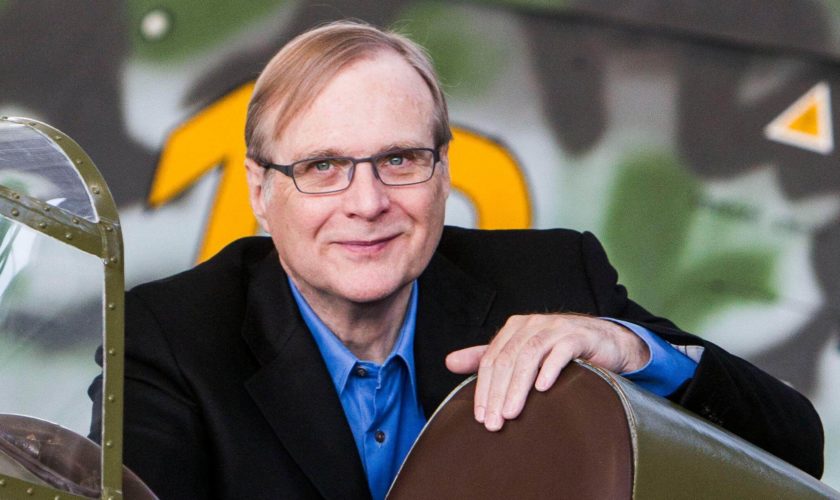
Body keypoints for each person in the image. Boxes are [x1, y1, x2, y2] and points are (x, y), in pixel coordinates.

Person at [89, 20, 823, 499]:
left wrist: (634, 352)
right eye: (322, 167)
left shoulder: (553, 279)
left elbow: (795, 446)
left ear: (443, 173)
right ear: (259, 190)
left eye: (400, 159)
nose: (367, 202)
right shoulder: (166, 339)